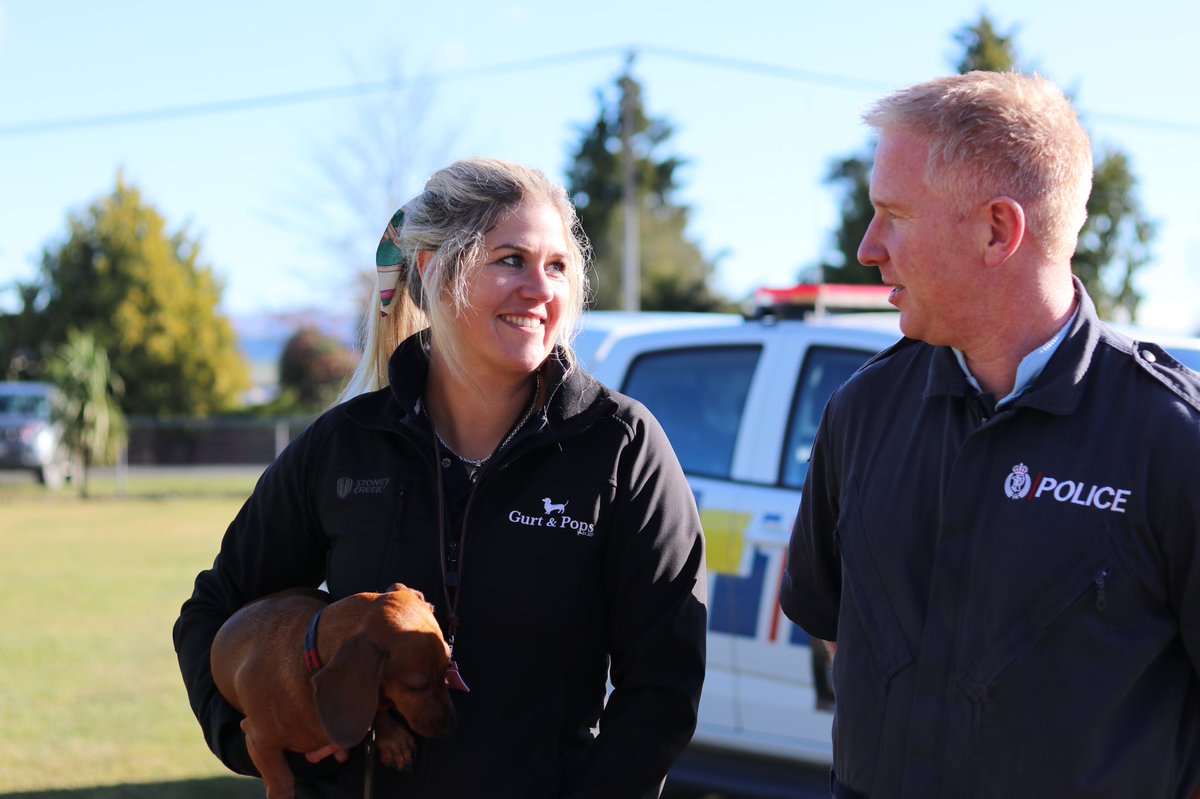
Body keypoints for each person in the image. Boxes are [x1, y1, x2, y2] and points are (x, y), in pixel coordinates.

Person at [174, 157, 707, 798]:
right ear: (433, 270)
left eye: (557, 266)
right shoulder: (346, 448)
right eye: (511, 259)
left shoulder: (621, 447)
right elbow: (215, 612)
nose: (540, 289)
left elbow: (663, 684)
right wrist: (258, 736)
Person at [779, 72, 1200, 798]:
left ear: (998, 230)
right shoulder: (865, 409)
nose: (868, 247)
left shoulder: (1171, 438)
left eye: (894, 214)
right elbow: (836, 628)